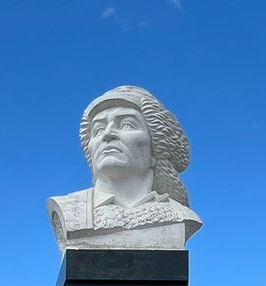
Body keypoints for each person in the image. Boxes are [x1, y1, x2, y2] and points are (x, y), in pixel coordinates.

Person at [47, 85, 203, 252]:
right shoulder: (71, 209)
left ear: (155, 148)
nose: (108, 134)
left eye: (127, 125)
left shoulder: (179, 215)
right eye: (98, 129)